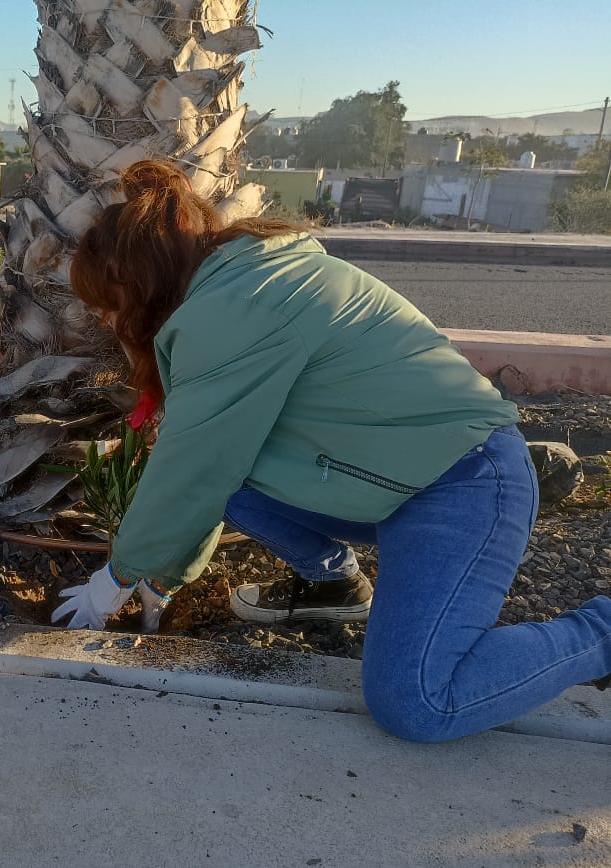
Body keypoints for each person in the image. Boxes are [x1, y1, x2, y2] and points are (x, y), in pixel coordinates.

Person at [52, 159, 610, 743]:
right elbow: (211, 463)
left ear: (142, 280)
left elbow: (193, 469)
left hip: (464, 485)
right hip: (398, 479)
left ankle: (602, 633)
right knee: (234, 481)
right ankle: (332, 585)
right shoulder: (245, 281)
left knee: (417, 701)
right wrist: (161, 578)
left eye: (108, 303)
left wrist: (115, 579)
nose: (109, 321)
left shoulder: (235, 312)